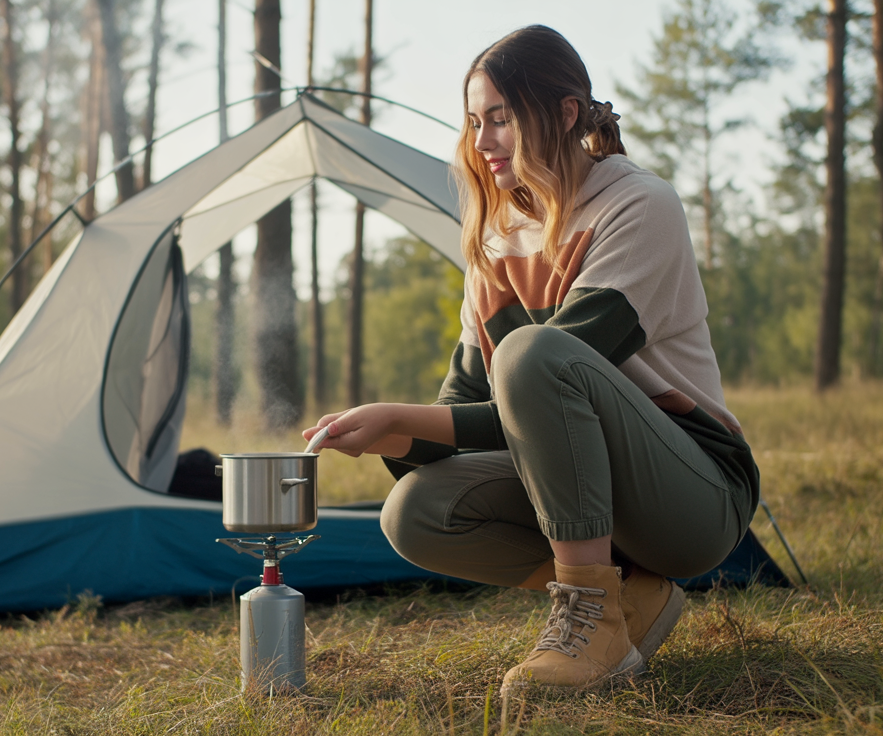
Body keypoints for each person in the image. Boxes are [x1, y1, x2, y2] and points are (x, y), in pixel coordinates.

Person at [303, 25, 759, 696]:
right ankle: (629, 596)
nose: (481, 141)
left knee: (533, 352)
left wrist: (404, 417)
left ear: (564, 114)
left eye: (500, 119)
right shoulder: (492, 243)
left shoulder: (638, 206)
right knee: (415, 512)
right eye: (474, 122)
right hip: (586, 489)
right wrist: (387, 433)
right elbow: (465, 413)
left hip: (692, 493)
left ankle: (591, 622)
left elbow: (547, 373)